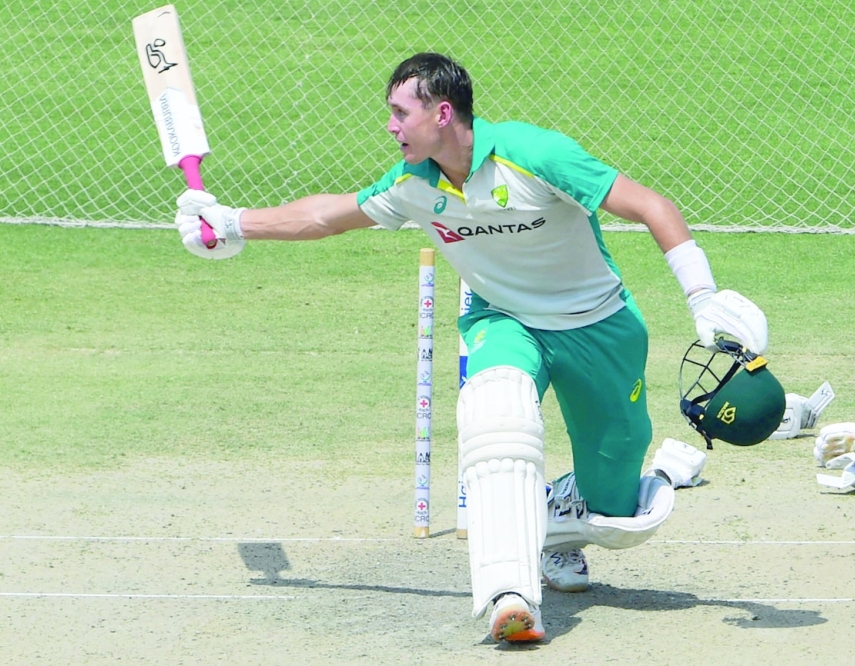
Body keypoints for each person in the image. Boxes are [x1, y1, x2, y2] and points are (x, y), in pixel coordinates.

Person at [174, 52, 769, 643]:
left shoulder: (532, 152)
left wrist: (702, 296)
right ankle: (509, 595)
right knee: (497, 415)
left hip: (601, 327)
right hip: (504, 321)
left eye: (399, 113)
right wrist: (232, 222)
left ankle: (559, 513)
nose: (389, 126)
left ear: (441, 112)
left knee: (621, 515)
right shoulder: (413, 184)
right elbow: (330, 215)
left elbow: (648, 204)